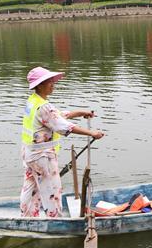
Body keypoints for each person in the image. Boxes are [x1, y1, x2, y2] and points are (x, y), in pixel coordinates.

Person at [20, 66, 105, 218]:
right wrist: (92, 133)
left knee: (31, 187)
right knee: (52, 190)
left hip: (29, 154)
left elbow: (57, 116)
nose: (53, 84)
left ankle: (27, 217)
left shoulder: (33, 101)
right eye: (49, 82)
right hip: (42, 157)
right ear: (39, 85)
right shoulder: (43, 107)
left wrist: (80, 112)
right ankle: (55, 220)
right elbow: (65, 127)